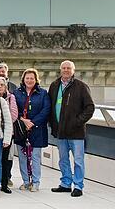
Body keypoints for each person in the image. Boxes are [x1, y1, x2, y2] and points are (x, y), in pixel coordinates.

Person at [48, 60, 94, 197]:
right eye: (64, 68)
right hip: (60, 131)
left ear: (73, 70)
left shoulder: (81, 86)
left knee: (78, 160)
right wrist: (52, 123)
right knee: (63, 160)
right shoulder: (55, 85)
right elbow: (50, 106)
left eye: (69, 68)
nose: (66, 70)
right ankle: (66, 183)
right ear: (60, 70)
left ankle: (78, 186)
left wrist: (77, 122)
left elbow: (90, 107)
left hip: (76, 132)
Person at [0, 76, 19, 194]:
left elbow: (13, 115)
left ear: (5, 86)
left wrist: (0, 121)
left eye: (1, 85)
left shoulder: (11, 98)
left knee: (5, 160)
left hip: (6, 133)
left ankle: (4, 184)